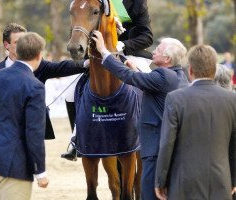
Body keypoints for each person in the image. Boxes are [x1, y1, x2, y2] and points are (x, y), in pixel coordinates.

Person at [92, 30, 189, 199]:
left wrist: (103, 51)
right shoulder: (180, 76)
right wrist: (136, 70)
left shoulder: (163, 75)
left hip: (154, 149)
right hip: (169, 148)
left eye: (158, 50)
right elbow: (153, 83)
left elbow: (128, 77)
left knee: (148, 194)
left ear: (167, 59)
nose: (154, 51)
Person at [61, 0, 154, 160]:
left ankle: (151, 136)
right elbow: (80, 29)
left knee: (149, 86)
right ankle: (77, 140)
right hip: (99, 56)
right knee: (70, 94)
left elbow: (147, 37)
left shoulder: (136, 2)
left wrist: (121, 45)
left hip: (130, 54)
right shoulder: (93, 2)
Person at [155, 45, 236, 200]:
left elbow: (167, 144)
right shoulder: (232, 100)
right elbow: (234, 145)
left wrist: (160, 181)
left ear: (190, 70)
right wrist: (233, 179)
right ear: (215, 69)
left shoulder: (175, 99)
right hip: (221, 182)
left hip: (183, 183)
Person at [0, 23, 87, 140]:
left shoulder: (38, 65)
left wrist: (85, 63)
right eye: (17, 42)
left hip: (32, 131)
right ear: (6, 45)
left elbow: (61, 67)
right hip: (2, 133)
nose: (22, 46)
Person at [0, 32, 49, 200]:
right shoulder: (35, 86)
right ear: (39, 55)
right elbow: (34, 132)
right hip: (15, 165)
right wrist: (40, 171)